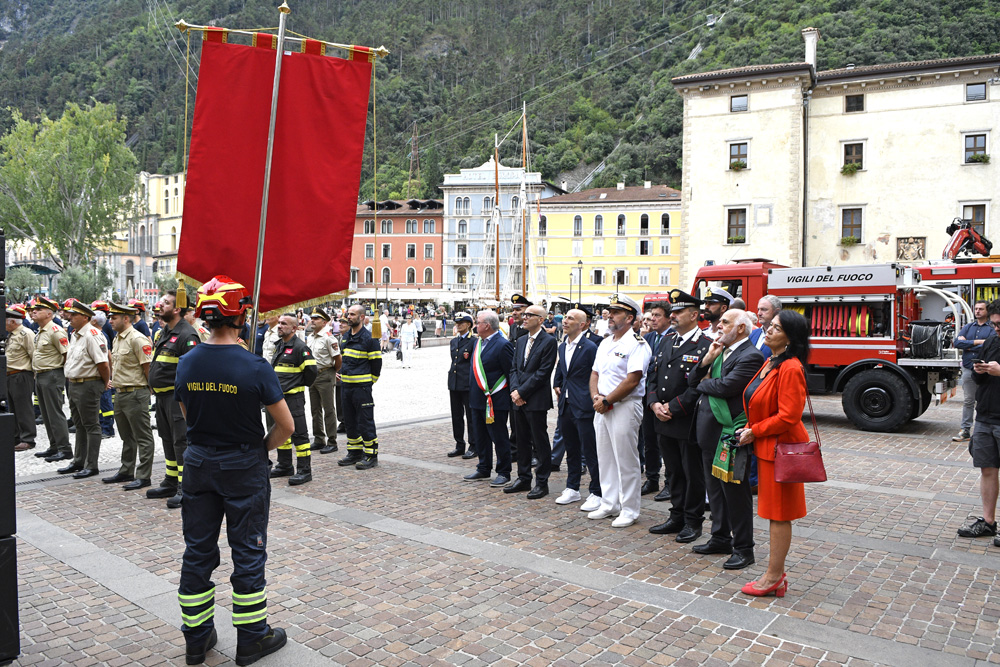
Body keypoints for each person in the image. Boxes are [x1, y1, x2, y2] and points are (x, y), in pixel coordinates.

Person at [174, 275, 294, 666]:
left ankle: (196, 637)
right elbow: (287, 426)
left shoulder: (187, 361)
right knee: (247, 551)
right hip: (243, 464)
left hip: (199, 462)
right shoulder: (255, 365)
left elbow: (186, 414)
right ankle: (252, 639)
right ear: (240, 315)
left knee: (197, 551)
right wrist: (259, 450)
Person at [737, 310, 811, 597]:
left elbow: (789, 416)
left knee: (779, 515)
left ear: (789, 338)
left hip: (782, 451)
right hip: (768, 448)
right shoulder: (771, 361)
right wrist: (749, 426)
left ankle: (774, 576)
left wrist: (755, 430)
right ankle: (774, 573)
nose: (766, 330)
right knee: (772, 513)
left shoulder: (790, 367)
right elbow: (758, 402)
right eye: (769, 326)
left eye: (776, 328)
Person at [689, 309, 763, 570]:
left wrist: (705, 381)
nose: (718, 326)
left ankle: (744, 547)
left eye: (725, 322)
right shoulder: (718, 351)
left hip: (730, 433)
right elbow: (692, 379)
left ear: (741, 328)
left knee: (735, 494)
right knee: (715, 492)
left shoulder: (751, 355)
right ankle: (720, 537)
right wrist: (707, 361)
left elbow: (726, 387)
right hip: (709, 432)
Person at [647, 290, 713, 539]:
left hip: (686, 419)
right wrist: (654, 404)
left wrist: (672, 408)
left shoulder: (705, 345)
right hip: (662, 417)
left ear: (694, 315)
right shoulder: (666, 340)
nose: (672, 316)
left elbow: (698, 386)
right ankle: (676, 515)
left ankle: (693, 521)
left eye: (678, 312)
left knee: (691, 472)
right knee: (673, 470)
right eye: (672, 312)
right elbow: (653, 376)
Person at [588, 294, 651, 528]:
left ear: (630, 317)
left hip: (624, 405)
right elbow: (595, 373)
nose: (610, 316)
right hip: (602, 406)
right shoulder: (605, 342)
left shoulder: (637, 344)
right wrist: (597, 397)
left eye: (615, 313)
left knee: (626, 459)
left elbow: (632, 379)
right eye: (610, 312)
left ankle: (630, 508)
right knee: (605, 457)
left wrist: (607, 400)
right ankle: (609, 502)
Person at [147, 289, 202, 508]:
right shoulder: (164, 332)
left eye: (166, 303)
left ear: (177, 308)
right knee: (168, 439)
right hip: (161, 398)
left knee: (181, 442)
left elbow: (192, 371)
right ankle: (171, 480)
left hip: (176, 398)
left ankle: (185, 486)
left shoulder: (187, 335)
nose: (160, 306)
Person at [958, 299, 1000, 543]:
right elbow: (979, 373)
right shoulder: (993, 339)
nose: (996, 329)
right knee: (987, 469)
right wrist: (979, 371)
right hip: (985, 415)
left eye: (999, 325)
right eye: (994, 325)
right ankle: (988, 522)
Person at [506, 304, 558, 499]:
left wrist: (522, 392)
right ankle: (523, 477)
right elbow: (513, 369)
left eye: (530, 315)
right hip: (518, 399)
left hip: (535, 399)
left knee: (539, 440)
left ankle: (542, 482)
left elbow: (543, 373)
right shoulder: (520, 341)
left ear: (541, 320)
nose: (524, 317)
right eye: (524, 314)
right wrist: (514, 391)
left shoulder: (549, 342)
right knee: (520, 439)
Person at [102, 302, 156, 490]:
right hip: (121, 393)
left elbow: (148, 368)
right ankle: (126, 470)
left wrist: (149, 391)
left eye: (113, 318)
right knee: (127, 436)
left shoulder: (137, 339)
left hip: (135, 392)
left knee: (143, 436)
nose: (110, 321)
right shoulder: (118, 338)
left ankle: (143, 475)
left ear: (126, 318)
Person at [552, 308, 600, 509]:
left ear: (582, 324)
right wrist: (558, 383)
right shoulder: (563, 346)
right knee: (571, 448)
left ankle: (597, 491)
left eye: (570, 318)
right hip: (567, 404)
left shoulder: (590, 347)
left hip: (584, 404)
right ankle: (572, 488)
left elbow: (596, 374)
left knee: (590, 450)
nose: (565, 321)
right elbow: (563, 369)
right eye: (564, 318)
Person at [59, 300, 111, 479]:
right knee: (79, 424)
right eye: (70, 314)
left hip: (88, 383)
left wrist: (105, 383)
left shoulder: (92, 334)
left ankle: (91, 465)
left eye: (74, 315)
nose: (70, 317)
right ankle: (78, 460)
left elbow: (103, 363)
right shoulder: (76, 334)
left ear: (85, 317)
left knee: (91, 425)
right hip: (74, 383)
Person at [463, 310, 515, 488]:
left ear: (486, 325)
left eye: (477, 322)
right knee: (480, 435)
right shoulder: (478, 343)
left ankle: (504, 472)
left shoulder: (502, 344)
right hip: (477, 399)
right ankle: (484, 467)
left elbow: (510, 373)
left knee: (499, 436)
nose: (475, 325)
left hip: (495, 399)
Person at [268, 313, 318, 485]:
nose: (279, 326)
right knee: (281, 432)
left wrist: (295, 385)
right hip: (280, 399)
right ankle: (284, 465)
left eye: (284, 323)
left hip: (293, 398)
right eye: (279, 323)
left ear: (294, 328)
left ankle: (305, 470)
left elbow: (311, 373)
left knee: (299, 434)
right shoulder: (280, 345)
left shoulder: (300, 348)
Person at [338, 304, 383, 470]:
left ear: (362, 317)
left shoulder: (369, 339)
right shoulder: (345, 336)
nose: (348, 317)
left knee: (365, 421)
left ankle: (371, 454)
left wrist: (369, 381)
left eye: (352, 314)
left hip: (361, 388)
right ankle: (354, 452)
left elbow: (376, 363)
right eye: (348, 314)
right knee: (349, 421)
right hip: (346, 386)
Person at [31, 297, 73, 462]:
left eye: (39, 310)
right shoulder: (41, 330)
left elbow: (66, 355)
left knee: (55, 413)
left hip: (52, 375)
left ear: (49, 313)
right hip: (41, 375)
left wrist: (60, 374)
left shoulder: (56, 331)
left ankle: (64, 448)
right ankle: (54, 445)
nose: (34, 312)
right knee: (46, 413)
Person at [640, 302, 672, 497]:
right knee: (649, 440)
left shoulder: (672, 337)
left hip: (665, 397)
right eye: (652, 315)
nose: (653, 319)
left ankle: (669, 482)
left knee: (665, 443)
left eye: (658, 315)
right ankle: (652, 479)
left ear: (668, 318)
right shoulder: (647, 337)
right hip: (648, 395)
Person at [954, 300, 994, 443]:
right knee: (968, 400)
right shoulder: (969, 327)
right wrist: (977, 342)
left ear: (987, 311)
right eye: (976, 309)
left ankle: (983, 431)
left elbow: (990, 345)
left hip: (984, 370)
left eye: (981, 309)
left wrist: (968, 344)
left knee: (983, 400)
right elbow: (956, 343)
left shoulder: (991, 328)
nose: (977, 311)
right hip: (968, 368)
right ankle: (965, 430)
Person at [306, 308, 341, 455]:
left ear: (324, 322)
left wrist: (333, 372)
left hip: (325, 374)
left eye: (316, 319)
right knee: (315, 409)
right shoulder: (310, 337)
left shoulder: (329, 338)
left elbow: (338, 359)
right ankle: (319, 438)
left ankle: (332, 441)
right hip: (313, 375)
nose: (312, 321)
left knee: (328, 409)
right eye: (312, 318)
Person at [446, 312, 478, 459]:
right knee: (456, 416)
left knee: (471, 417)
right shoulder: (454, 341)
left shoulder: (474, 342)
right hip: (454, 383)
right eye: (457, 323)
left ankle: (473, 445)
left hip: (467, 384)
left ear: (469, 325)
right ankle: (459, 444)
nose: (458, 325)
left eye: (461, 323)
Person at [7, 304, 37, 452]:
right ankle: (16, 437)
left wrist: (33, 376)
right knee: (13, 408)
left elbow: (34, 355)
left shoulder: (26, 334)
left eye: (5, 320)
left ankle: (28, 438)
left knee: (23, 408)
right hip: (10, 375)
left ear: (13, 322)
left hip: (21, 375)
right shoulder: (11, 335)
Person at [91, 301, 117, 439]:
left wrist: (109, 376)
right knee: (102, 403)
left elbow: (108, 357)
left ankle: (108, 429)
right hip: (100, 374)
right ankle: (104, 426)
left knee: (106, 403)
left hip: (104, 375)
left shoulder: (102, 336)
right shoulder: (97, 334)